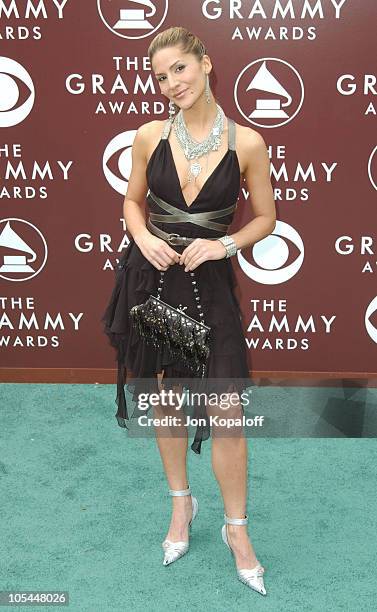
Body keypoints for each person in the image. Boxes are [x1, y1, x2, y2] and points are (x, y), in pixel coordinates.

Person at [102, 26, 276, 596]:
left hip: (211, 285)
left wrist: (225, 244)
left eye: (179, 68)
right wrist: (142, 236)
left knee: (226, 409)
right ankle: (182, 505)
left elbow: (265, 220)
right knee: (167, 400)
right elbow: (131, 201)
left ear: (205, 63)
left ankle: (236, 529)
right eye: (160, 76)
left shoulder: (247, 143)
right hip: (153, 280)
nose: (171, 83)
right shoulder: (149, 135)